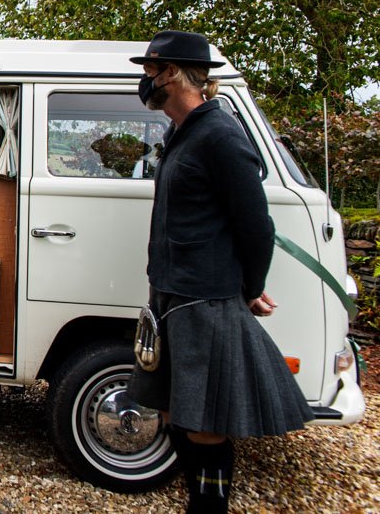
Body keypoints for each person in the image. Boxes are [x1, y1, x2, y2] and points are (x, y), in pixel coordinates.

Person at [126, 31, 313, 513]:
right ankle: (197, 500)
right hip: (169, 292)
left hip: (204, 298)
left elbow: (256, 225)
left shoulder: (221, 135)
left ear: (172, 73)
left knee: (205, 421)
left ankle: (210, 508)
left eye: (150, 71)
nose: (144, 81)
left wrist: (250, 288)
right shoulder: (181, 132)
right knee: (174, 412)